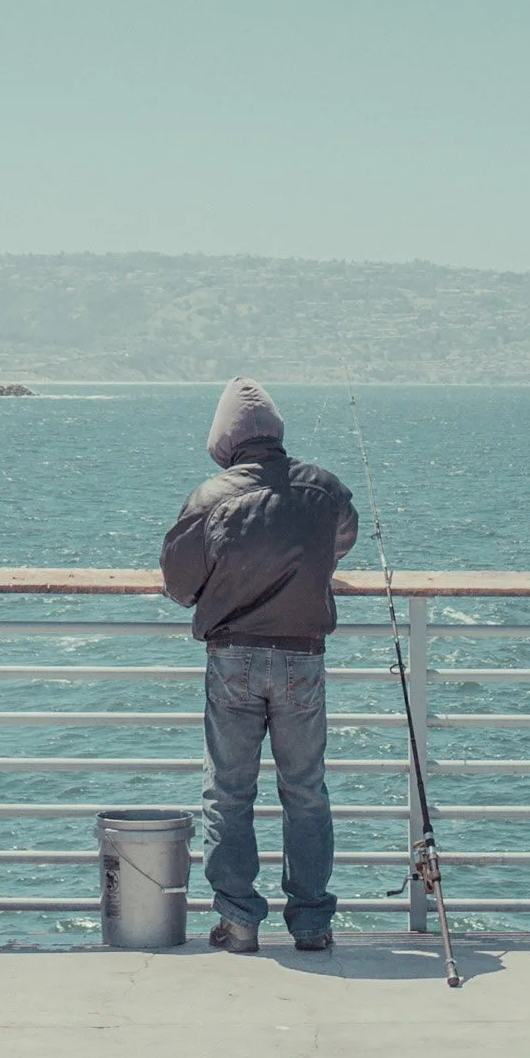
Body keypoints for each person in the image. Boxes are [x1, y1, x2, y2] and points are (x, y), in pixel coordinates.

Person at [160, 377, 359, 954]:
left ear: (225, 442)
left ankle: (239, 921)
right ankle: (312, 922)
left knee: (228, 792)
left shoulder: (209, 498)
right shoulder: (326, 490)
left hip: (233, 658)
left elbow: (178, 585)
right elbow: (338, 541)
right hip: (302, 657)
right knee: (306, 791)